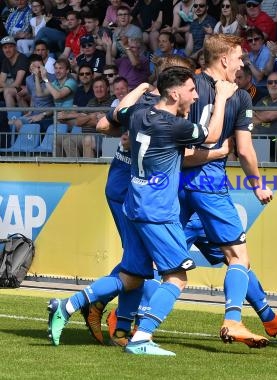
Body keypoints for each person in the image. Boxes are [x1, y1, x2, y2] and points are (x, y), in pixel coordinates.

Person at [46, 67, 236, 356]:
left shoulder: (137, 115)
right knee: (177, 277)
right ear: (174, 93)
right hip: (158, 211)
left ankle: (68, 305)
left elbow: (116, 112)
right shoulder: (173, 126)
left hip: (134, 205)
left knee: (132, 276)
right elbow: (212, 135)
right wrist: (221, 98)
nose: (196, 94)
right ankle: (142, 337)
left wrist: (139, 88)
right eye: (190, 89)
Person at [179, 33, 276, 349]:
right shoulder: (239, 95)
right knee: (238, 256)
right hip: (208, 182)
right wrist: (258, 184)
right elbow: (245, 150)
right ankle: (233, 321)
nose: (242, 64)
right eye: (238, 58)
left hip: (173, 180)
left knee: (160, 256)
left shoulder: (184, 85)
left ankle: (121, 315)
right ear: (223, 60)